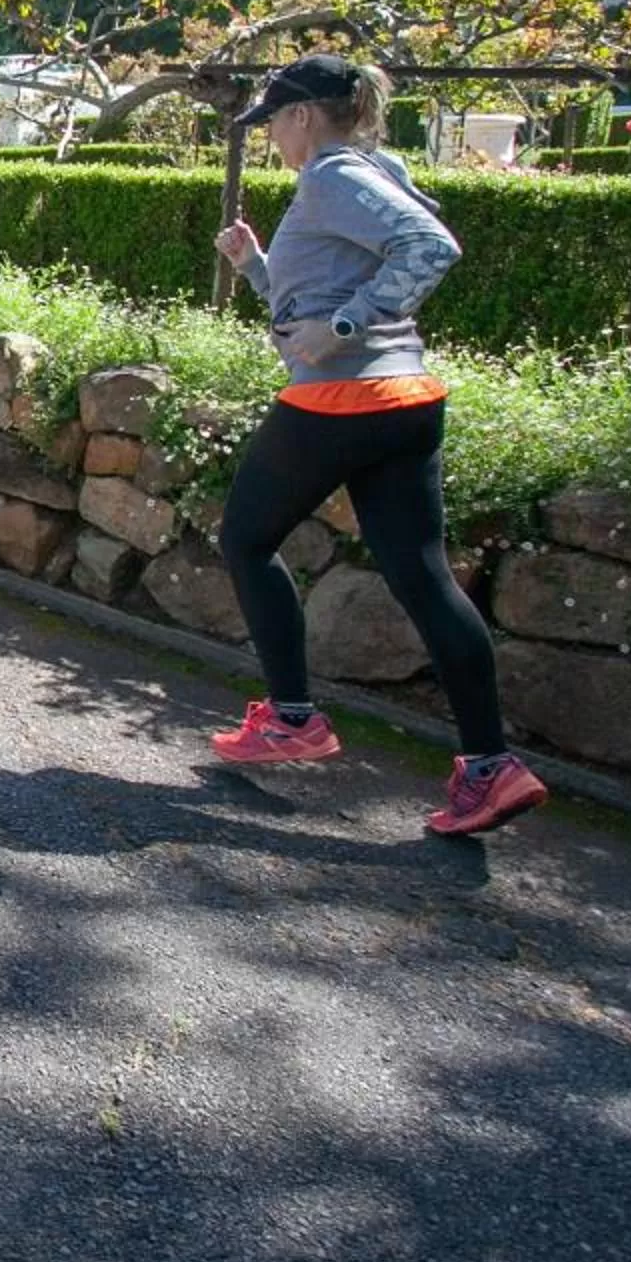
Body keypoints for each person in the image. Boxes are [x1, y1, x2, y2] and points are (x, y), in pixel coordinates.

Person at [209, 52, 546, 838]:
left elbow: (432, 248)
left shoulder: (332, 175)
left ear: (301, 116)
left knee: (245, 539)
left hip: (341, 402)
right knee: (423, 578)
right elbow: (313, 311)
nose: (272, 142)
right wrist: (258, 268)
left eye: (273, 125)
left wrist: (346, 328)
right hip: (404, 401)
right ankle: (490, 769)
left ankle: (293, 718)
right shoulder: (373, 167)